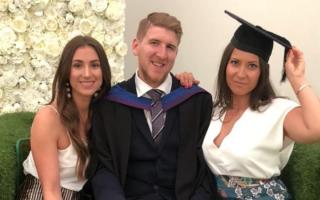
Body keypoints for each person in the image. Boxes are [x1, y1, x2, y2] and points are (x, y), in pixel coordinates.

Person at [86, 12, 217, 200]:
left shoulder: (196, 102)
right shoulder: (109, 104)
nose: (162, 54)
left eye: (170, 47)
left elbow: (202, 170)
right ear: (136, 46)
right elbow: (102, 166)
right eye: (154, 43)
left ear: (176, 52)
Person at [201, 11, 320, 199]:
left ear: (261, 72)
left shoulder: (277, 111)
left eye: (252, 66)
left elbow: (316, 128)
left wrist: (297, 78)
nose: (241, 73)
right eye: (235, 62)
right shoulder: (214, 111)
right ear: (225, 65)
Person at [16, 35, 112, 200]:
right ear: (66, 72)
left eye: (95, 65)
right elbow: (51, 192)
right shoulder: (49, 118)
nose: (87, 73)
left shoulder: (102, 114)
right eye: (78, 65)